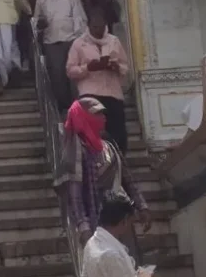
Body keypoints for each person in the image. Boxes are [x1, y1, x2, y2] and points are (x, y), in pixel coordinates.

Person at [56, 97, 150, 244]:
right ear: (84, 117)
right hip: (96, 220)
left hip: (119, 215)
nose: (103, 118)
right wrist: (83, 227)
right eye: (97, 114)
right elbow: (74, 194)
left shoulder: (109, 145)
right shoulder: (76, 149)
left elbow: (127, 178)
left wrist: (142, 206)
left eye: (103, 114)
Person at [67, 6, 130, 153]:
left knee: (118, 135)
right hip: (90, 94)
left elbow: (125, 67)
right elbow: (70, 71)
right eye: (95, 27)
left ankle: (119, 166)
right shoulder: (78, 43)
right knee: (92, 135)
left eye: (101, 27)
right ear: (88, 26)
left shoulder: (113, 41)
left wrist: (116, 67)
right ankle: (95, 168)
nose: (98, 30)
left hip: (113, 94)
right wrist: (88, 68)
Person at [34, 0, 88, 110]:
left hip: (72, 40)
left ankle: (78, 105)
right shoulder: (41, 0)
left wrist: (82, 41)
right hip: (51, 42)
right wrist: (40, 24)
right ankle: (64, 106)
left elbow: (81, 18)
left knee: (74, 74)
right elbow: (36, 23)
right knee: (57, 75)